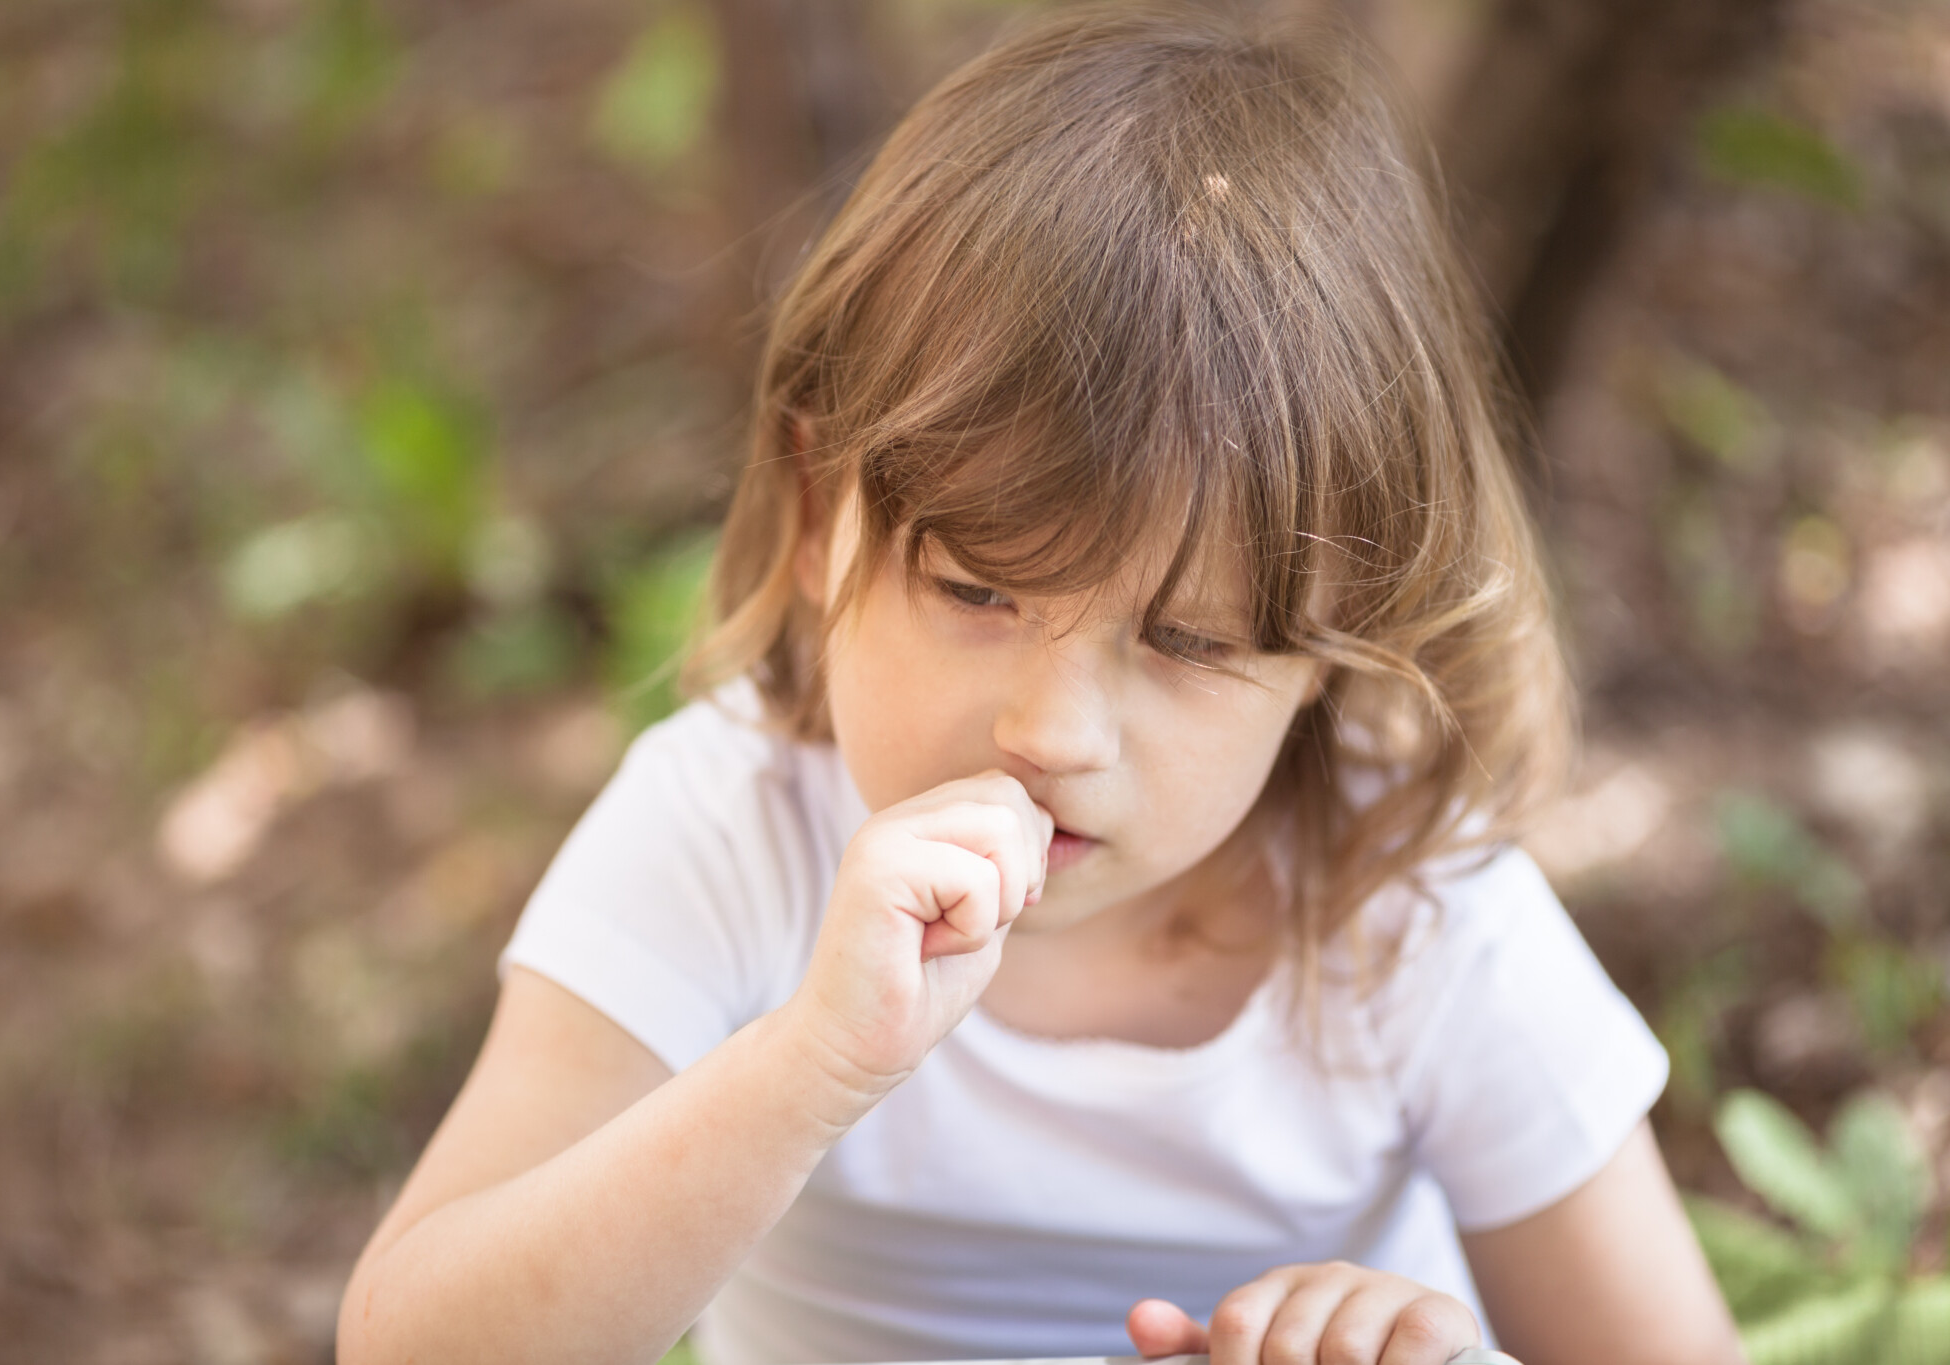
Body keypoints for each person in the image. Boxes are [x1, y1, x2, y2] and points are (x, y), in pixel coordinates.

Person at [337, 8, 1747, 1365]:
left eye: (1189, 646)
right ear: (825, 508)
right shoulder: (730, 828)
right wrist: (811, 1064)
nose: (1051, 734)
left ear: (1332, 642)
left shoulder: (1410, 917)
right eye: (976, 592)